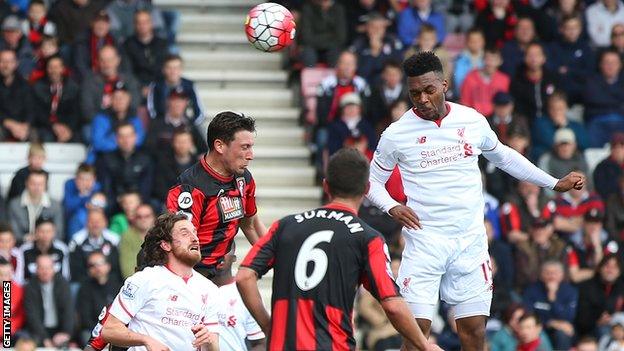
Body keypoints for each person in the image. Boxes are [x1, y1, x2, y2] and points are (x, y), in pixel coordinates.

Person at [367, 51, 584, 351]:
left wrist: (553, 182)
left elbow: (505, 156)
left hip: (469, 242)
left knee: (472, 332)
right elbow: (371, 182)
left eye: (429, 90)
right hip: (424, 242)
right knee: (417, 337)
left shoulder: (471, 120)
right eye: (415, 93)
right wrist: (391, 206)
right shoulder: (396, 134)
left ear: (444, 84)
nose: (423, 99)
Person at [237, 149, 442, 351]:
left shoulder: (285, 226)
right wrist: (424, 345)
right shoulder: (368, 238)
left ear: (326, 185)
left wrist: (267, 325)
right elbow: (392, 304)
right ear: (367, 188)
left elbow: (244, 277)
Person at [100, 212, 221, 350]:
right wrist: (146, 340)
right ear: (166, 245)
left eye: (195, 233)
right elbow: (109, 330)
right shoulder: (144, 280)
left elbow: (214, 347)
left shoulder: (209, 288)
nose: (194, 239)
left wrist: (208, 341)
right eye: (184, 233)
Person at [166, 111, 266, 278]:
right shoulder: (190, 187)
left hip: (223, 268)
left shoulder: (244, 179)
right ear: (220, 146)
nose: (251, 156)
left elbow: (250, 224)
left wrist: (275, 259)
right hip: (192, 272)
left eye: (251, 147)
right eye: (244, 147)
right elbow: (181, 245)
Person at [210, 242, 265, 351]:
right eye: (217, 249)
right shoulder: (197, 288)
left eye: (226, 250)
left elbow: (260, 343)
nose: (221, 255)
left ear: (234, 258)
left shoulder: (245, 292)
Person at [24, 254, 74, 348]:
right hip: (39, 331)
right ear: (36, 270)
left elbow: (69, 311)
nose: (45, 271)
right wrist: (45, 338)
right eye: (42, 268)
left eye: (48, 268)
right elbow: (32, 316)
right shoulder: (30, 287)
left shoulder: (63, 284)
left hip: (60, 329)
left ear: (53, 269)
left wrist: (66, 333)